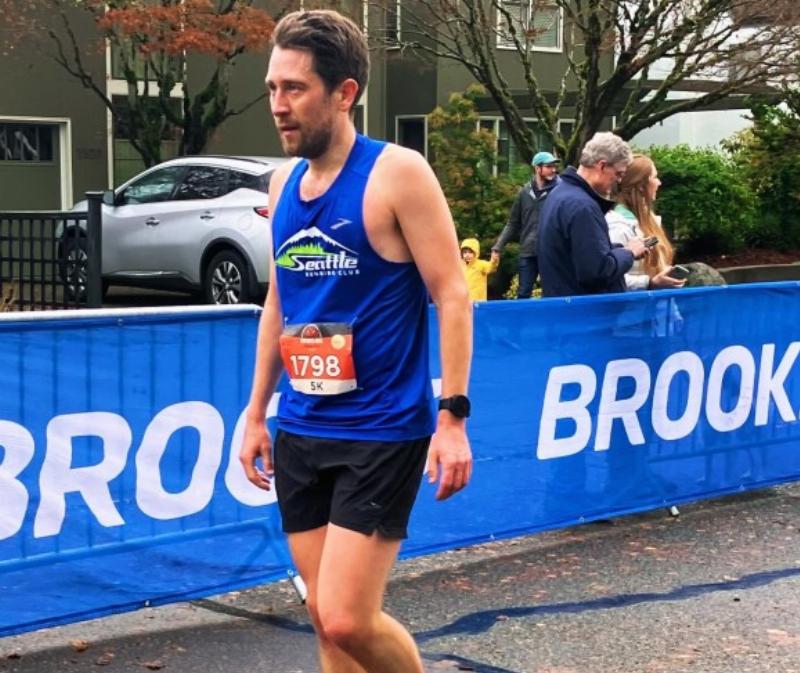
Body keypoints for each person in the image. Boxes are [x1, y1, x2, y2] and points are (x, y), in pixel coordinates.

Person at [239, 10, 473, 673]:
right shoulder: (283, 185)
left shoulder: (397, 173)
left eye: (295, 89)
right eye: (272, 88)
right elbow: (279, 303)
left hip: (381, 429)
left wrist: (453, 416)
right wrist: (256, 411)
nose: (278, 107)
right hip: (303, 425)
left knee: (346, 615)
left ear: (345, 92)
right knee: (324, 617)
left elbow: (452, 293)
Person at [538, 132, 648, 297]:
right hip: (583, 314)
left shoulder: (559, 194)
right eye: (618, 174)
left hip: (561, 306)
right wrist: (629, 253)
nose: (619, 181)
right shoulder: (583, 206)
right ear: (602, 166)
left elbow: (578, 254)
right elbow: (596, 273)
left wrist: (622, 250)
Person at [605, 154, 686, 291]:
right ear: (641, 186)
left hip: (658, 307)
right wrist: (649, 283)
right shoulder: (617, 226)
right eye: (654, 177)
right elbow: (609, 276)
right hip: (634, 309)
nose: (659, 182)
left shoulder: (651, 220)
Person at [491, 151, 560, 298]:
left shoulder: (559, 190)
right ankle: (521, 321)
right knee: (523, 293)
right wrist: (497, 247)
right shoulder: (524, 192)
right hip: (528, 251)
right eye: (549, 166)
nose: (554, 170)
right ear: (537, 168)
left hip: (550, 251)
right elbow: (513, 223)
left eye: (554, 166)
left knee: (553, 293)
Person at [461, 237, 498, 301]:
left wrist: (494, 260)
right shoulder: (460, 265)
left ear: (476, 253)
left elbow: (491, 267)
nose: (467, 255)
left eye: (470, 252)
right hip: (463, 302)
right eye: (465, 252)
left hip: (478, 301)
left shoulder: (481, 264)